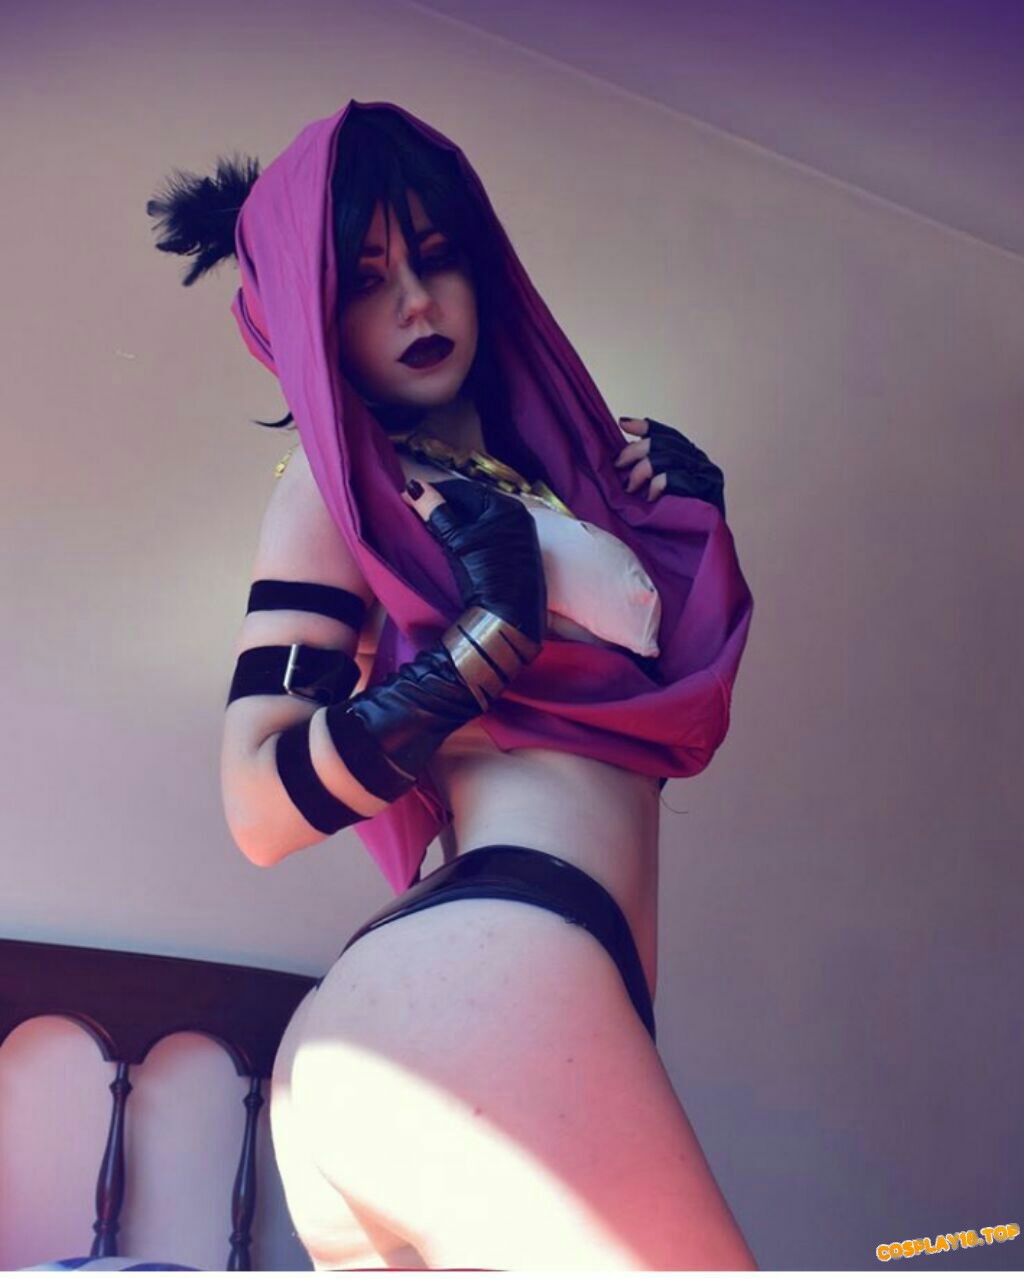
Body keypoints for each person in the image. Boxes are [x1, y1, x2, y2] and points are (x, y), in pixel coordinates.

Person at [148, 99, 755, 1271]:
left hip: (485, 990)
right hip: (491, 966)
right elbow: (257, 806)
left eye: (435, 260)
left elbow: (670, 713)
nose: (417, 304)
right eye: (366, 280)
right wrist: (477, 648)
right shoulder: (344, 485)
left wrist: (688, 526)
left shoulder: (555, 484)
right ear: (310, 313)